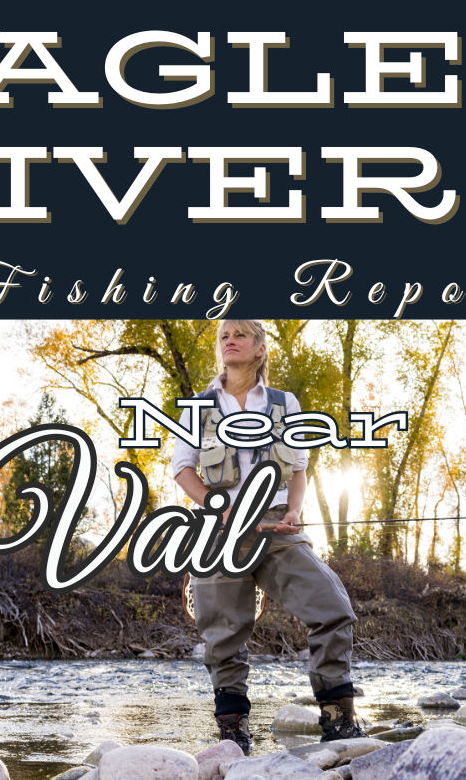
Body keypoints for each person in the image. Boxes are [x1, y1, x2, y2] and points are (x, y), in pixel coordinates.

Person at [171, 319, 366, 754]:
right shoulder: (198, 406)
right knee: (222, 632)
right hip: (218, 528)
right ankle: (233, 730)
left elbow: (298, 467)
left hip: (276, 525)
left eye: (240, 335)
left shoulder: (285, 402)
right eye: (224, 336)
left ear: (260, 348)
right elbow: (183, 468)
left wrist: (295, 512)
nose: (230, 341)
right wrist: (213, 507)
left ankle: (337, 718)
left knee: (332, 606)